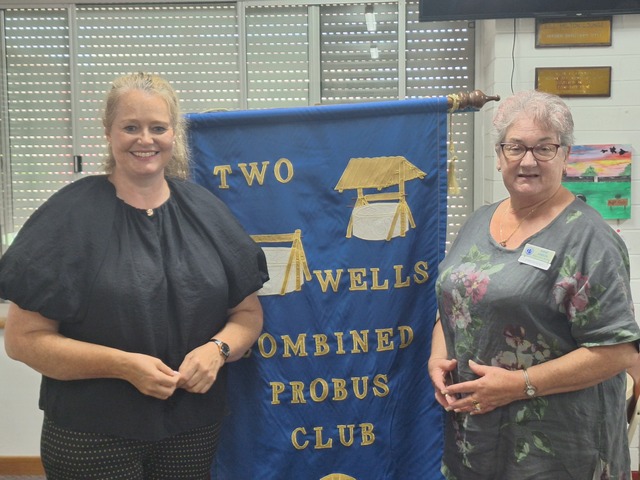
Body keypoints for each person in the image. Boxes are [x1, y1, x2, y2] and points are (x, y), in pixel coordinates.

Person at [0, 72, 269, 479]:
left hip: (191, 430)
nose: (145, 139)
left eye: (157, 128)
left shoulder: (206, 212)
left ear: (173, 134)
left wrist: (218, 349)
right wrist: (122, 365)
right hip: (91, 434)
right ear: (108, 132)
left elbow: (248, 315)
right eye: (131, 127)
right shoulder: (68, 217)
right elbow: (23, 340)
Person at [428, 89, 639, 479]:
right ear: (499, 155)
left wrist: (518, 384)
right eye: (515, 147)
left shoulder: (589, 238)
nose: (528, 161)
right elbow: (454, 303)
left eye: (544, 148)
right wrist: (437, 357)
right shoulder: (478, 221)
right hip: (476, 441)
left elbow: (618, 351)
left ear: (565, 155)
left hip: (555, 450)